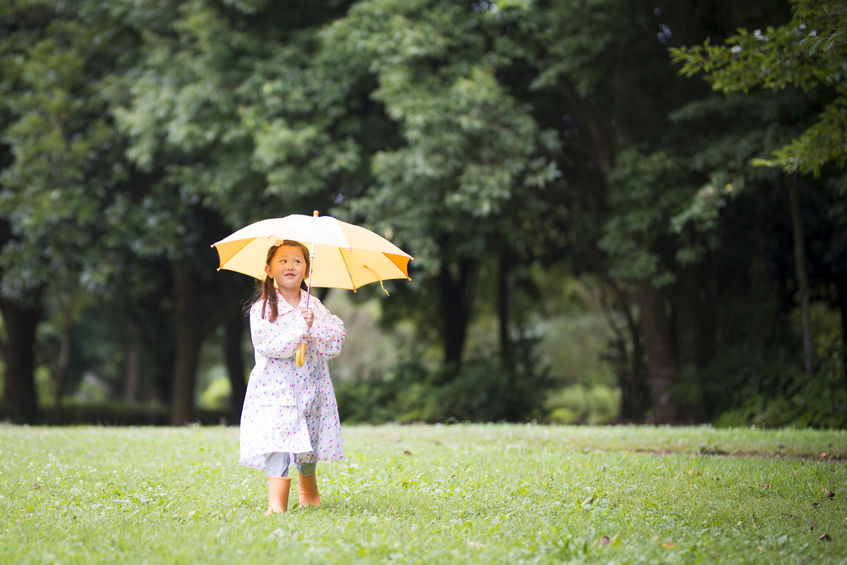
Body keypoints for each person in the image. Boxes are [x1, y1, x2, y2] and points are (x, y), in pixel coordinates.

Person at [239, 239, 346, 515]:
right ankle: (276, 503)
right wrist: (300, 326)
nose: (290, 266)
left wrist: (314, 326)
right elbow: (271, 346)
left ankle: (308, 490)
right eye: (283, 261)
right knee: (278, 443)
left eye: (297, 261)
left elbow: (334, 344)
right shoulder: (262, 309)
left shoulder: (315, 307)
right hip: (275, 390)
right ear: (269, 269)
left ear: (307, 271)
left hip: (310, 388)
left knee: (308, 446)